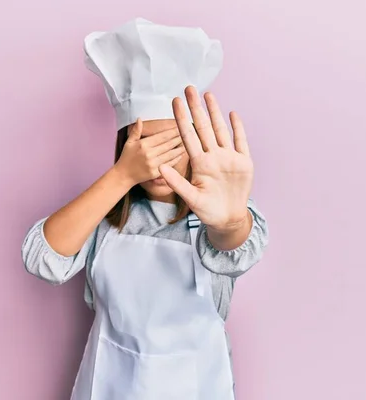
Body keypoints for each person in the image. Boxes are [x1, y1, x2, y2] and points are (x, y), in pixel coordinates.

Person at [21, 18, 269, 400]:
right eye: (145, 146)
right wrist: (121, 177)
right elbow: (42, 259)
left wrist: (233, 220)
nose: (158, 162)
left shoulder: (216, 213)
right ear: (125, 145)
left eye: (173, 145)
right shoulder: (104, 214)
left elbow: (234, 246)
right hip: (110, 386)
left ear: (196, 144)